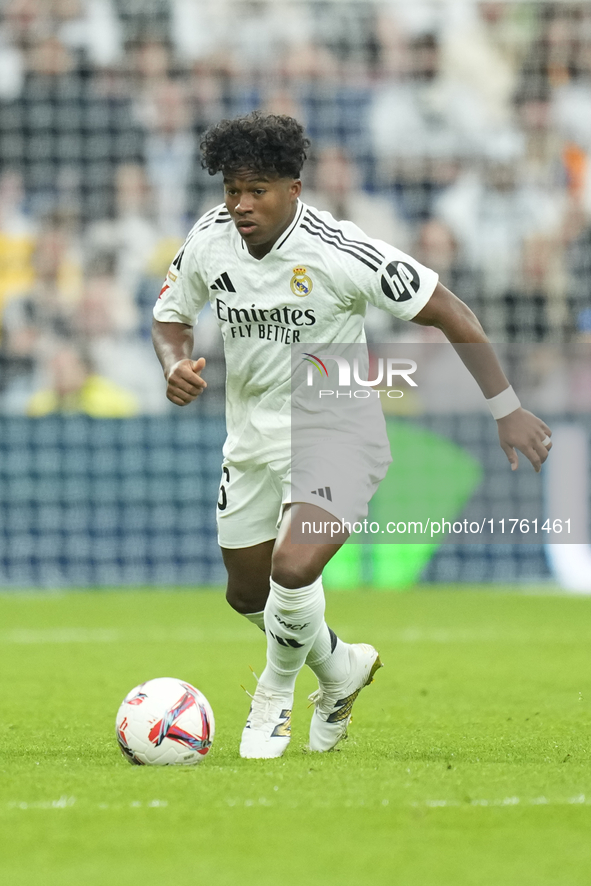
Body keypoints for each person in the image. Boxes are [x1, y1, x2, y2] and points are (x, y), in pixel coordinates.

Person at [152, 112, 552, 760]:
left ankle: (270, 703)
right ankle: (339, 669)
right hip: (250, 436)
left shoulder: (340, 252)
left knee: (293, 564)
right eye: (232, 190)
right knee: (247, 592)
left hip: (335, 425)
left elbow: (453, 312)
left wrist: (504, 407)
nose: (241, 204)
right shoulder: (209, 238)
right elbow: (169, 316)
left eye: (257, 190)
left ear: (294, 190)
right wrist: (174, 364)